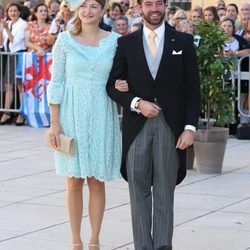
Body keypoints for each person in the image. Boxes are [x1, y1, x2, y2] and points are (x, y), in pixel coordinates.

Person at [106, 0, 200, 248]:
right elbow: (112, 86)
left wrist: (190, 128)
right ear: (140, 8)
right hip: (137, 126)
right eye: (149, 3)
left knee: (164, 192)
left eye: (159, 2)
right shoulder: (125, 43)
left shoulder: (183, 42)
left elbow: (193, 89)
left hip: (171, 127)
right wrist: (137, 102)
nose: (154, 8)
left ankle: (162, 246)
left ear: (166, 6)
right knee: (138, 192)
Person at [47, 0, 123, 249]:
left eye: (94, 6)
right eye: (83, 6)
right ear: (77, 10)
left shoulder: (114, 41)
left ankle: (94, 240)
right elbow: (56, 81)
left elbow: (122, 75)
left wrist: (123, 84)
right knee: (73, 179)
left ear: (102, 10)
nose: (88, 11)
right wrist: (54, 123)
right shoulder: (64, 41)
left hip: (102, 111)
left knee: (96, 178)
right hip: (71, 114)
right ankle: (75, 241)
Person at [0, 2, 27, 126]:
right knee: (8, 86)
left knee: (20, 87)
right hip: (8, 56)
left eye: (15, 11)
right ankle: (6, 113)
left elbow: (14, 42)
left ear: (20, 12)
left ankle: (21, 114)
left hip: (19, 55)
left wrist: (6, 28)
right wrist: (2, 29)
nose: (13, 13)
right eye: (11, 11)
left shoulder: (23, 24)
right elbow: (2, 42)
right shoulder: (7, 23)